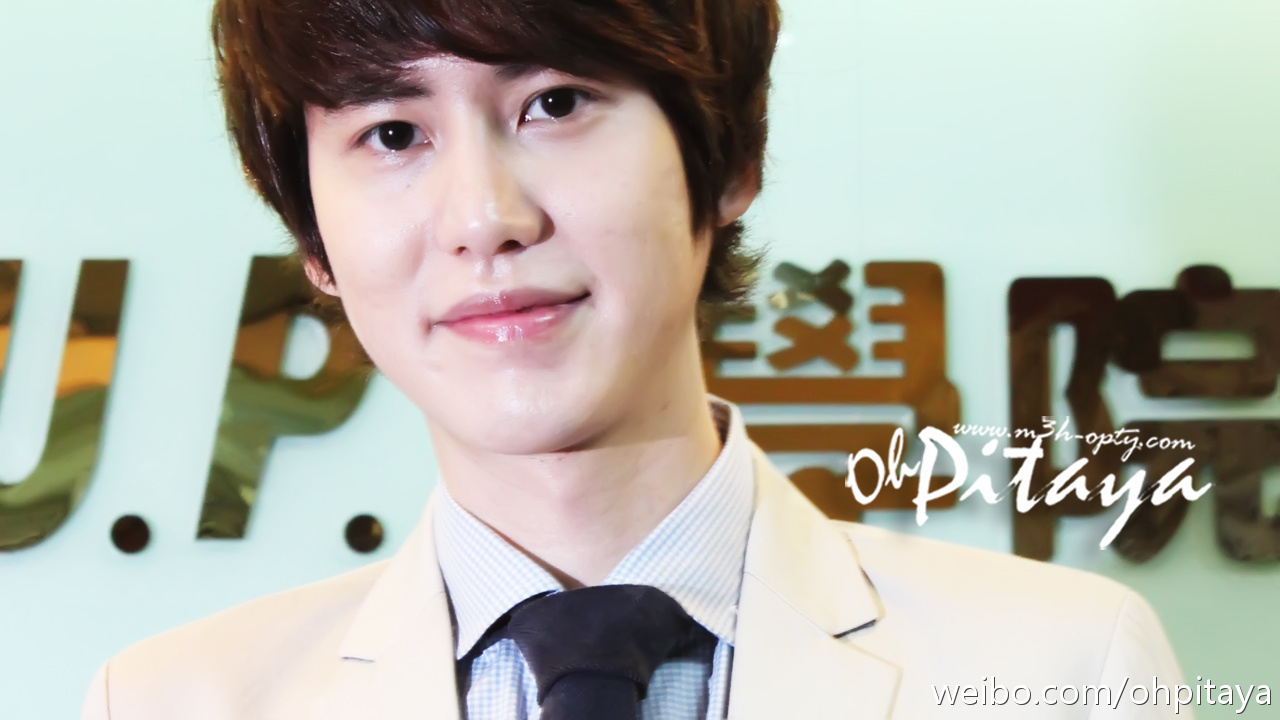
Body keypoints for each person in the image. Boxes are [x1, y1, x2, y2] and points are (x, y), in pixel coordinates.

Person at [80, 0, 1189, 717]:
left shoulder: (1062, 667)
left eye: (554, 103)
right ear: (315, 242)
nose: (484, 218)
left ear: (728, 160)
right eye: (393, 134)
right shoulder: (173, 700)